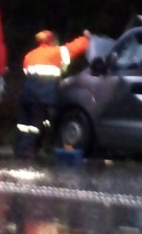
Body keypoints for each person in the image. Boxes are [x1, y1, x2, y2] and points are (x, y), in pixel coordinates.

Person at [14, 29, 90, 158]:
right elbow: (76, 47)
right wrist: (87, 38)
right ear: (52, 40)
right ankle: (30, 151)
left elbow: (27, 72)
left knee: (24, 124)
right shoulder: (57, 52)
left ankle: (20, 149)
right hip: (43, 96)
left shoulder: (30, 55)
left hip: (27, 94)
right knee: (36, 124)